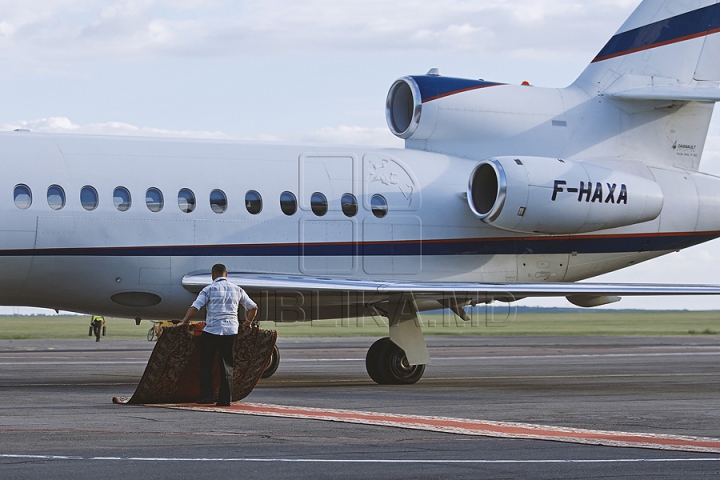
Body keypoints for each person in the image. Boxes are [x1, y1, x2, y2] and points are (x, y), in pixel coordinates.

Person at [181, 263, 258, 406]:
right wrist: (247, 323)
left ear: (212, 275)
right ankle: (225, 399)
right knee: (227, 365)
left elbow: (195, 307)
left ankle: (207, 397)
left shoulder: (208, 289)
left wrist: (185, 321)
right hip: (230, 331)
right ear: (226, 274)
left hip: (212, 331)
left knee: (206, 364)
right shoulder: (237, 289)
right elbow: (253, 307)